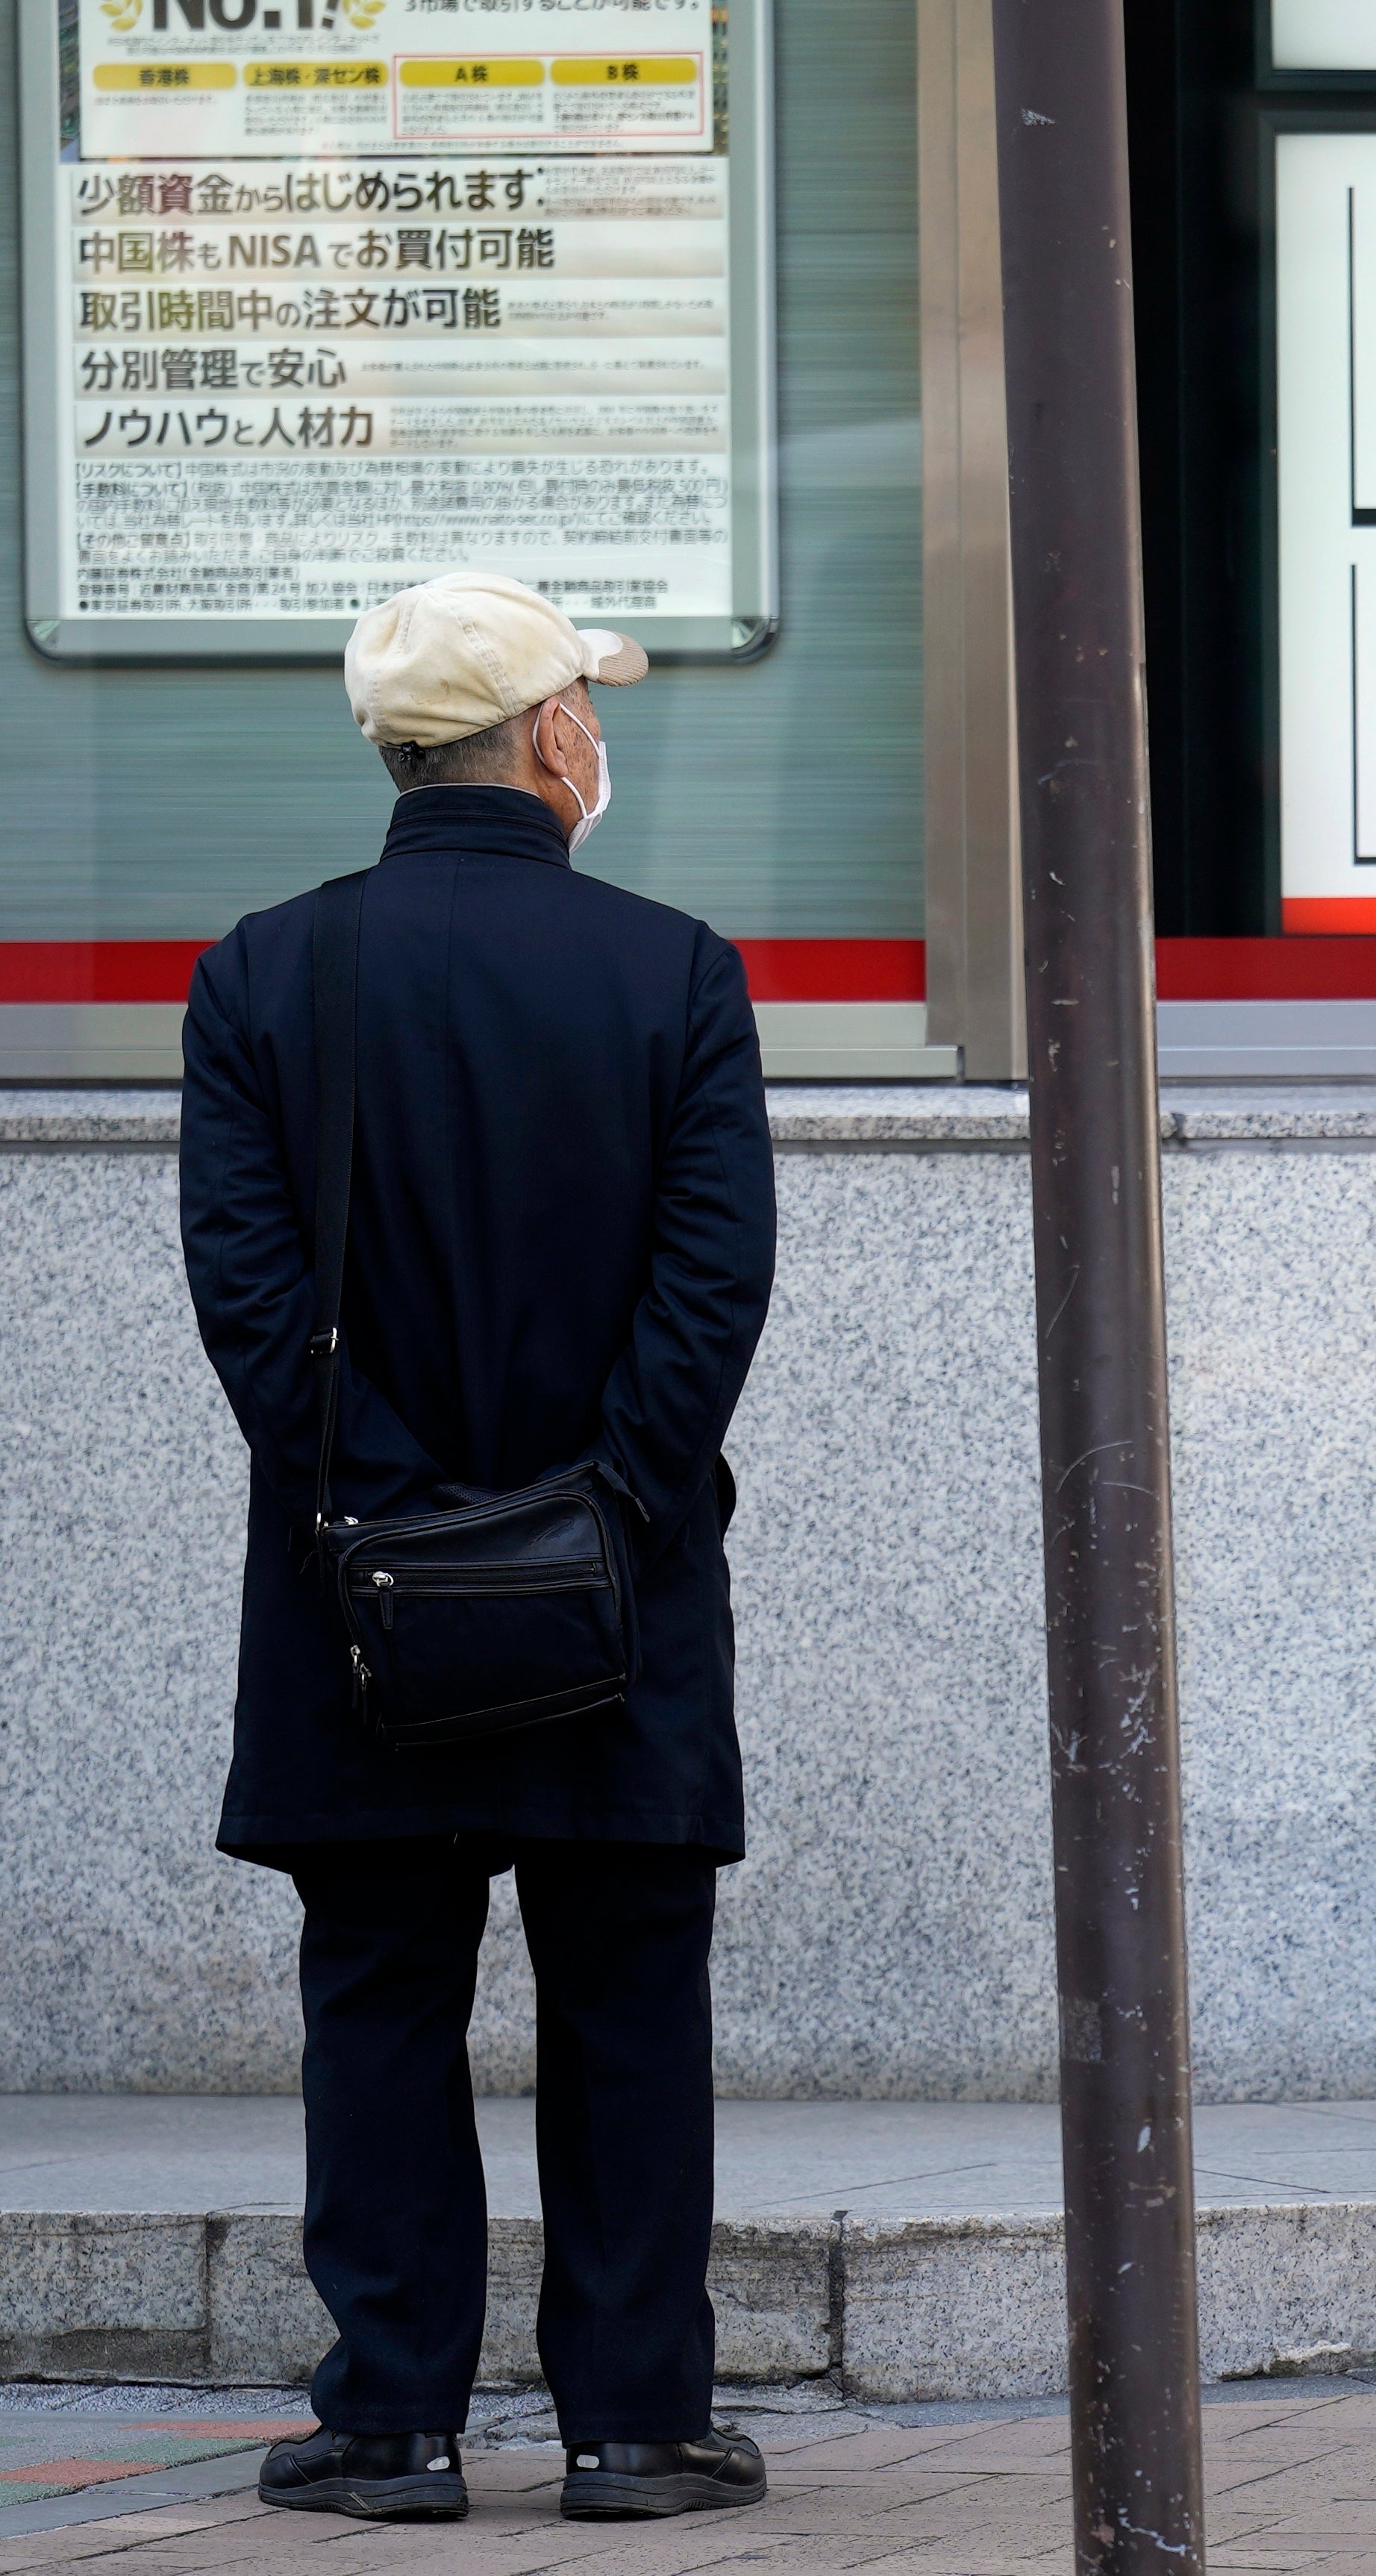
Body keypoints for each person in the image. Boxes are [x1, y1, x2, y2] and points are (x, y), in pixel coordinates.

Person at [178, 571, 779, 2524]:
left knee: (377, 1992)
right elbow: (711, 1289)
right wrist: (598, 1516)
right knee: (627, 1999)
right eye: (589, 708)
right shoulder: (672, 971)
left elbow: (252, 1303)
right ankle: (636, 2423)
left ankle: (389, 2422)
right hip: (623, 1593)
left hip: (354, 1599)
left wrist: (383, 1519)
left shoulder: (261, 976)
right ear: (550, 738)